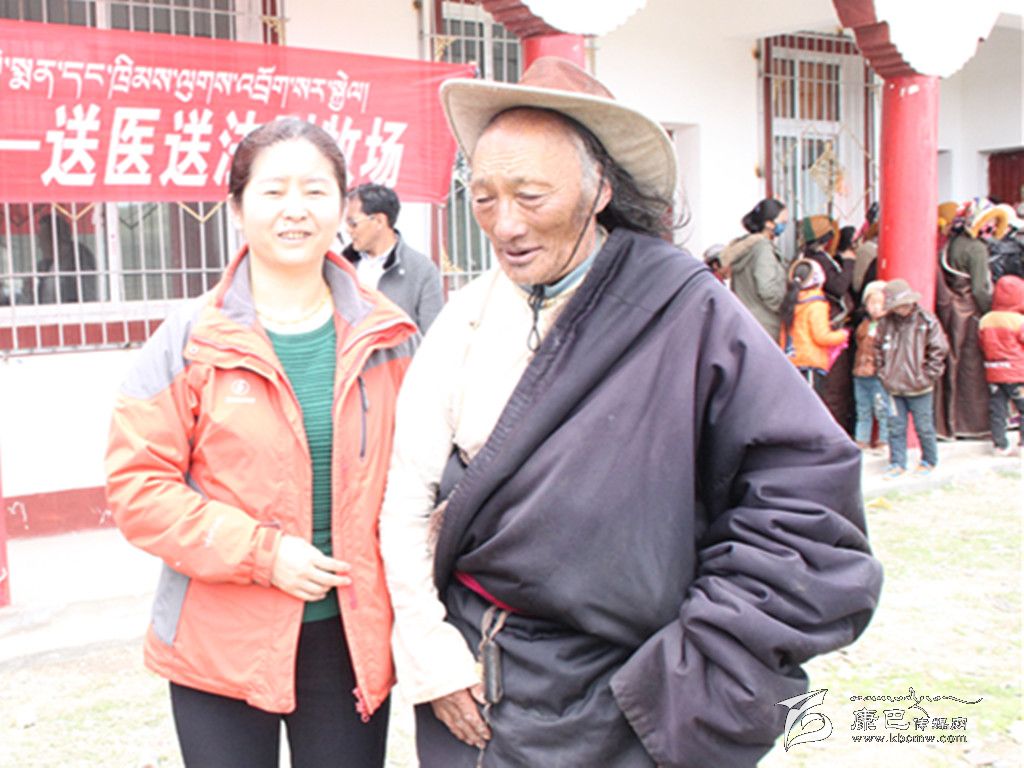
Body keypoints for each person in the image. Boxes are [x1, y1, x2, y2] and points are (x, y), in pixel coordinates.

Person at [379, 57, 882, 768]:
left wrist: (699, 669)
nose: (505, 223)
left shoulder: (683, 310)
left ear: (601, 189)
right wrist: (431, 652)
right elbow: (406, 500)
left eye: (531, 195)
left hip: (630, 693)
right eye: (483, 198)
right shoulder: (463, 320)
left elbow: (805, 504)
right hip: (474, 676)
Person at [105, 118, 418, 768]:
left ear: (342, 206)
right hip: (220, 642)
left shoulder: (390, 337)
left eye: (315, 191)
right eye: (274, 191)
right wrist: (263, 554)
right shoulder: (189, 340)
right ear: (236, 207)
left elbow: (423, 479)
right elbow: (138, 489)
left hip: (350, 639)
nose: (295, 210)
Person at [343, 182, 444, 332]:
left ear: (379, 221)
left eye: (353, 223)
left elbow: (433, 335)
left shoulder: (422, 270)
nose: (348, 230)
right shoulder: (341, 266)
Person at [875, 278, 949, 478]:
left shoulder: (927, 321)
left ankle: (929, 460)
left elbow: (939, 349)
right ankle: (897, 462)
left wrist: (927, 376)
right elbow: (877, 350)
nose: (903, 308)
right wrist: (883, 373)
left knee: (924, 426)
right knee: (895, 427)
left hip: (920, 386)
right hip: (893, 385)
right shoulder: (885, 323)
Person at [935, 200, 992, 439]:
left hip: (950, 311)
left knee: (952, 365)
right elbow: (979, 289)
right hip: (970, 313)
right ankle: (970, 424)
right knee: (970, 369)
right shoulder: (976, 248)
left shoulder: (952, 242)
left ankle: (947, 422)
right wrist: (989, 312)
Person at [799, 215, 857, 433]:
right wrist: (849, 262)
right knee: (835, 386)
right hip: (830, 326)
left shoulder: (806, 259)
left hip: (810, 338)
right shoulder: (820, 262)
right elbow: (839, 287)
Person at [778, 257, 850, 396]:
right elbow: (821, 337)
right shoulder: (816, 304)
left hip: (791, 362)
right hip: (810, 363)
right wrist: (842, 335)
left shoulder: (790, 302)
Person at [721, 197, 789, 339]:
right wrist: (786, 307)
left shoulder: (746, 245)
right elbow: (767, 289)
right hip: (764, 326)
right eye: (783, 222)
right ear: (769, 224)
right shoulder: (763, 248)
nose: (785, 225)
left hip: (746, 323)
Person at [978, 274, 1024, 456]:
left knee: (997, 408)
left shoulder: (985, 320)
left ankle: (1000, 445)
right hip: (1018, 374)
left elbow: (982, 344)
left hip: (994, 371)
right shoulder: (1019, 321)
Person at [851, 280, 889, 451]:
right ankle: (862, 440)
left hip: (878, 375)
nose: (875, 307)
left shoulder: (888, 326)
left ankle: (884, 440)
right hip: (860, 373)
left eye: (880, 303)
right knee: (863, 409)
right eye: (872, 303)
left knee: (882, 410)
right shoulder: (864, 325)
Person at [33, 212, 99, 304]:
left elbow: (87, 295)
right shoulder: (46, 264)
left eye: (42, 239)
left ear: (55, 239)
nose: (39, 245)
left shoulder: (79, 258)